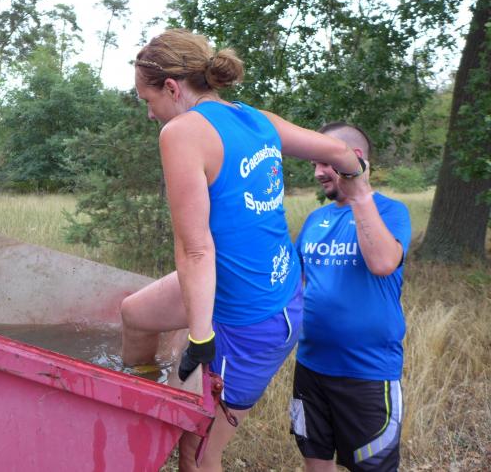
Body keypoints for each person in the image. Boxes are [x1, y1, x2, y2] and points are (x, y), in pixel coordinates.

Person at [120, 29, 365, 472]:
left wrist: (200, 339)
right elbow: (338, 150)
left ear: (171, 87)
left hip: (251, 320)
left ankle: (179, 412)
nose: (150, 113)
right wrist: (356, 176)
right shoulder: (255, 118)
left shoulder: (181, 132)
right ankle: (142, 396)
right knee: (134, 314)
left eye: (147, 101)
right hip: (276, 289)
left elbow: (196, 251)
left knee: (198, 455)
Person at [290, 123, 411, 472]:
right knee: (315, 461)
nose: (317, 173)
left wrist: (360, 193)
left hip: (367, 373)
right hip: (311, 367)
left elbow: (383, 263)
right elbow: (294, 285)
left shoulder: (390, 211)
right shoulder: (316, 219)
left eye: (324, 162)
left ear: (352, 158)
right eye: (314, 164)